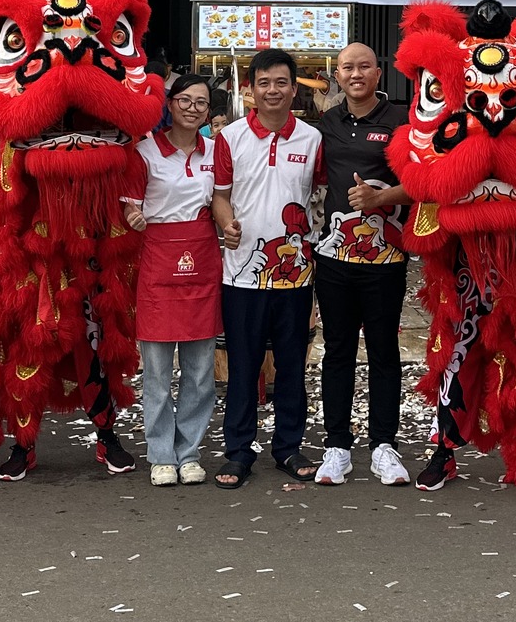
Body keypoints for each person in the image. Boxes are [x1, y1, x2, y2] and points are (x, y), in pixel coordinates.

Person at [212, 47, 324, 488]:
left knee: (292, 365)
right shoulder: (231, 137)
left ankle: (288, 448)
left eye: (281, 82)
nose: (272, 90)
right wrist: (227, 225)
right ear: (251, 89)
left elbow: (318, 199)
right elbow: (220, 196)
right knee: (244, 365)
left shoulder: (312, 140)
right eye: (264, 83)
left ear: (294, 89)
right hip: (241, 273)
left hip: (296, 274)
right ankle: (238, 451)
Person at [309, 42, 412, 487]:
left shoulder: (403, 120)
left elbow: (424, 180)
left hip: (385, 257)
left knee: (384, 351)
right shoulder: (327, 123)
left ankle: (384, 445)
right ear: (337, 75)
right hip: (334, 257)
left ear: (378, 73)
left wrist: (380, 197)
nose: (356, 74)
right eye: (347, 68)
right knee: (338, 351)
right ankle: (337, 447)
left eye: (364, 66)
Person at [124, 73, 224, 487]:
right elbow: (130, 205)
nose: (192, 109)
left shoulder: (217, 151)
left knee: (200, 371)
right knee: (157, 371)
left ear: (209, 110)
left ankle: (190, 452)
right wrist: (133, 216)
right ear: (170, 103)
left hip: (203, 256)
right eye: (185, 100)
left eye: (201, 103)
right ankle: (161, 453)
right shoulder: (145, 152)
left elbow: (224, 199)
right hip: (158, 258)